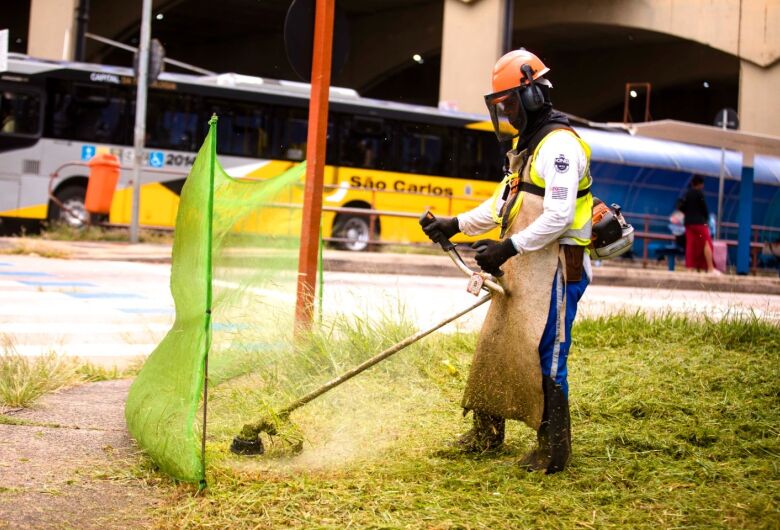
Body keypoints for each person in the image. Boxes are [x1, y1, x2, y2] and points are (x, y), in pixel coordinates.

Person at [420, 49, 592, 474]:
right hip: (526, 263)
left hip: (555, 268)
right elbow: (503, 204)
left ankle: (553, 450)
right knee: (497, 344)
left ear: (533, 93)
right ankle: (486, 434)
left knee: (546, 356)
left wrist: (508, 249)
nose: (507, 111)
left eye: (510, 102)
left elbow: (559, 216)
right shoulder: (528, 147)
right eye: (501, 105)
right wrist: (455, 224)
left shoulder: (559, 148)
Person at [677, 175, 720, 274]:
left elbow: (681, 207)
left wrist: (688, 213)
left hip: (689, 223)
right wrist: (706, 219)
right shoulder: (700, 194)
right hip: (700, 223)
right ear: (701, 184)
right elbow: (704, 208)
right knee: (706, 243)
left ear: (692, 183)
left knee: (690, 246)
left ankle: (689, 268)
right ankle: (710, 268)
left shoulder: (687, 194)